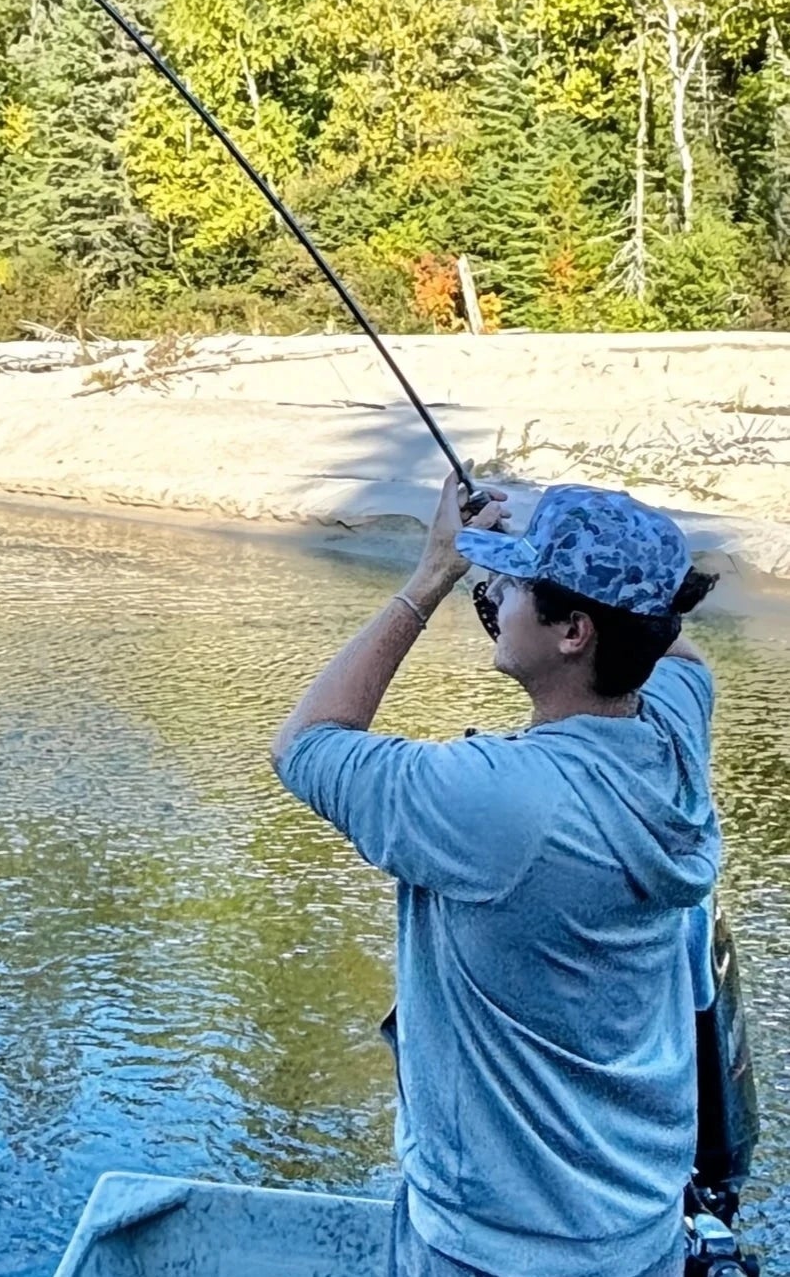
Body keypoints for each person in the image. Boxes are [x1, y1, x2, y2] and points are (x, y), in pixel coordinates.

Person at [271, 477, 721, 1277]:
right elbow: (662, 635)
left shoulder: (496, 798)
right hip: (634, 1230)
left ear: (574, 631)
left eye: (512, 584)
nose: (495, 592)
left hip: (496, 1249)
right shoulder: (676, 730)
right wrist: (562, 547)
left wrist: (430, 576)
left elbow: (305, 745)